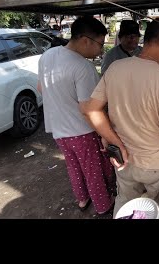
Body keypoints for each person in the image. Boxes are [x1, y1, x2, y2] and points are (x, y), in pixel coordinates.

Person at [82, 17, 159, 215]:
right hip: (156, 165)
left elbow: (90, 109)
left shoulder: (115, 68)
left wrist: (115, 142)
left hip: (125, 160)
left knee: (126, 205)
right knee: (158, 207)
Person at [37, 15, 116, 215]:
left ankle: (82, 199)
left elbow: (40, 88)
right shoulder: (83, 67)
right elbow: (88, 109)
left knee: (74, 167)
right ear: (85, 40)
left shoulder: (48, 55)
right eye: (100, 44)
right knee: (94, 171)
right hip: (82, 131)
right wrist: (106, 135)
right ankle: (103, 206)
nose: (101, 50)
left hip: (58, 130)